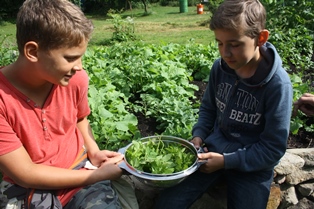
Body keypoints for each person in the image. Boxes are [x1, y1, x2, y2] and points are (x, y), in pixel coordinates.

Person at [0, 0, 138, 209]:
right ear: (32, 52)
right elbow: (25, 174)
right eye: (70, 58)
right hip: (26, 189)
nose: (79, 67)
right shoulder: (3, 98)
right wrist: (94, 177)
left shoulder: (73, 79)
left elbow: (79, 117)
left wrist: (93, 152)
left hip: (79, 170)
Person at [155, 0, 293, 209]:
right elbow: (209, 108)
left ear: (261, 38)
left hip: (252, 167)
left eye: (234, 44)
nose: (225, 53)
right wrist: (199, 135)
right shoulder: (220, 68)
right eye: (219, 43)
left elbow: (272, 149)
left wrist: (227, 161)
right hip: (212, 151)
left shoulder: (277, 85)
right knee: (167, 203)